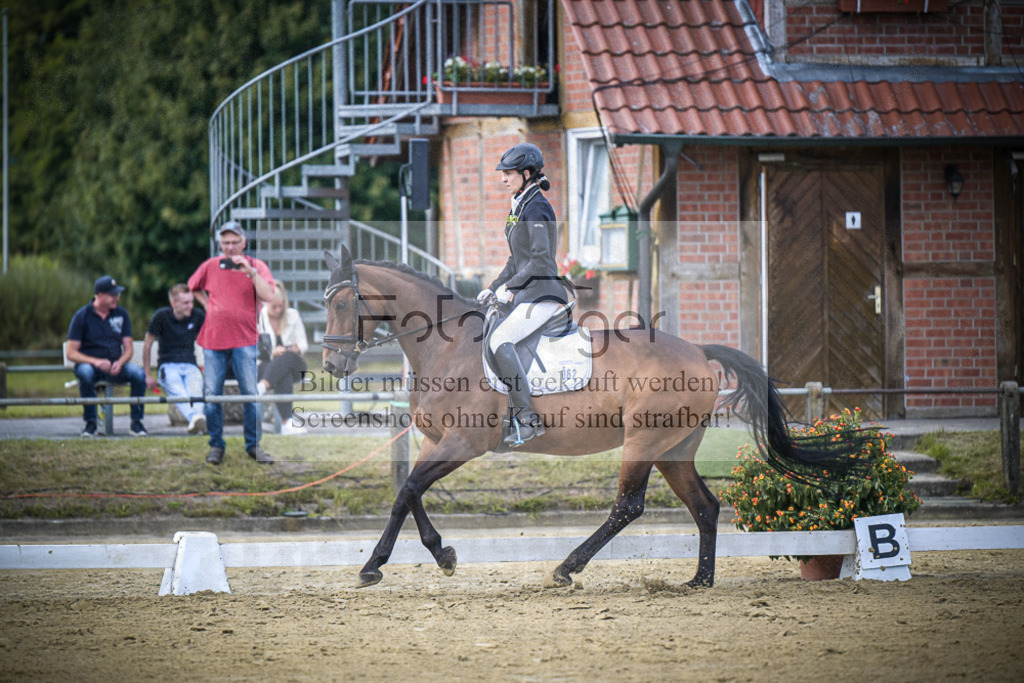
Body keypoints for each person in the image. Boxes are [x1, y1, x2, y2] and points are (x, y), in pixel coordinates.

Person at [476, 142, 571, 445]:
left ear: (526, 173)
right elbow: (515, 260)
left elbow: (540, 260)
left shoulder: (537, 206)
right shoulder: (520, 204)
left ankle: (528, 420)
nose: (503, 178)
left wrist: (510, 287)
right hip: (526, 293)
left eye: (508, 173)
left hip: (543, 293)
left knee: (500, 340)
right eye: (502, 173)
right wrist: (493, 288)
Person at [188, 221, 276, 465]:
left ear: (244, 243)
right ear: (220, 244)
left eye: (234, 242)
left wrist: (250, 272)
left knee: (250, 395)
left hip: (245, 340)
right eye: (225, 242)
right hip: (213, 340)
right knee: (212, 395)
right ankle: (216, 445)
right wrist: (207, 305)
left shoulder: (257, 266)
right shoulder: (210, 265)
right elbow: (192, 286)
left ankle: (254, 446)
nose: (229, 247)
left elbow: (269, 296)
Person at [66, 275, 149, 437]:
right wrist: (95, 362)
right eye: (113, 295)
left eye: (117, 294)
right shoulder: (81, 317)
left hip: (116, 366)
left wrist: (120, 362)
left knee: (139, 374)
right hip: (91, 366)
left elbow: (128, 349)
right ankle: (91, 423)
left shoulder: (122, 314)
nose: (117, 298)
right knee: (85, 372)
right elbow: (71, 353)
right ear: (100, 295)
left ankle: (136, 423)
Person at [143, 283, 206, 435]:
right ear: (174, 303)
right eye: (186, 303)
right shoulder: (161, 316)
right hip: (168, 366)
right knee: (178, 390)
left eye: (191, 302)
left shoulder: (197, 316)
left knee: (196, 389)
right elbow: (147, 345)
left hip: (190, 365)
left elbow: (208, 341)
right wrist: (147, 375)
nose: (190, 306)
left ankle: (195, 421)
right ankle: (196, 418)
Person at [256, 281, 309, 435]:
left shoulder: (292, 315)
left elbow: (303, 344)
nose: (279, 310)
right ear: (266, 303)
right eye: (274, 307)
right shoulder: (259, 318)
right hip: (266, 366)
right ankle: (288, 423)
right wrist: (273, 353)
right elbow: (256, 351)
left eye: (281, 306)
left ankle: (262, 387)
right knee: (282, 373)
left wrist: (295, 348)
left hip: (295, 366)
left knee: (288, 357)